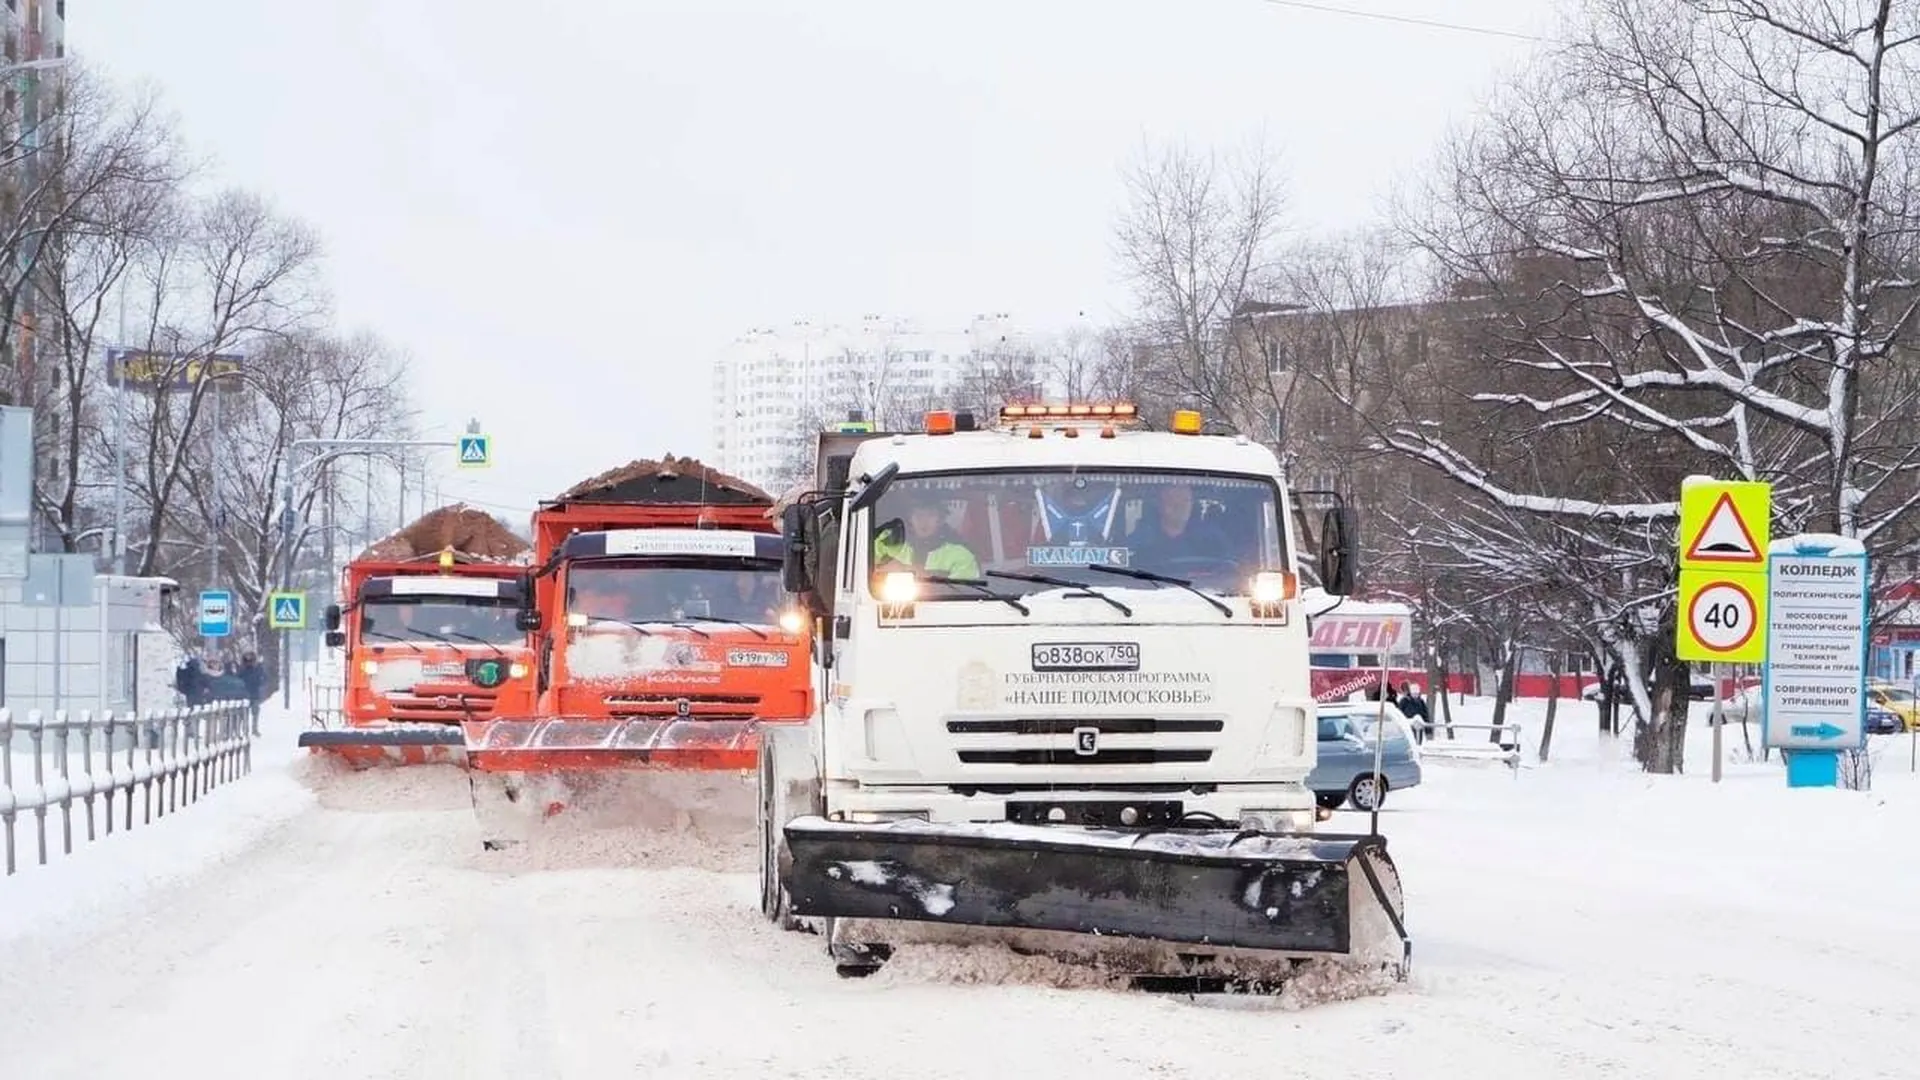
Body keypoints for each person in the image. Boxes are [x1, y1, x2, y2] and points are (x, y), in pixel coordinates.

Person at [874, 490, 980, 582]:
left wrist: (929, 578)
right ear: (910, 518)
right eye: (918, 515)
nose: (923, 521)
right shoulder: (886, 541)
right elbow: (862, 571)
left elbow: (962, 594)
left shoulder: (961, 555)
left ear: (941, 519)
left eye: (930, 515)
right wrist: (886, 567)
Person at [1125, 483, 1231, 565]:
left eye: (1185, 501)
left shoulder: (1212, 539)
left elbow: (1229, 572)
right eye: (1172, 501)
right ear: (1160, 505)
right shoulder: (1139, 541)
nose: (1180, 507)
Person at [237, 652, 267, 735]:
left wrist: (260, 683)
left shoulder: (258, 668)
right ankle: (245, 730)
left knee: (254, 712)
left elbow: (264, 678)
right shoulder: (242, 668)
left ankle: (254, 729)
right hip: (244, 694)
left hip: (254, 693)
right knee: (244, 713)